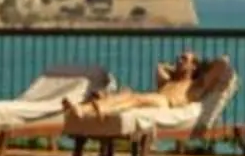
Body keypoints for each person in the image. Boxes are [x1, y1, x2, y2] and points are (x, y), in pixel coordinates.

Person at [64, 51, 200, 124]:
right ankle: (84, 109)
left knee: (133, 98)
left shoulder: (193, 85)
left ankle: (87, 108)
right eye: (179, 58)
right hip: (156, 99)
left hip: (166, 102)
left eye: (184, 59)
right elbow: (159, 67)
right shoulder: (170, 81)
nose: (178, 61)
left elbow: (218, 70)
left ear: (193, 66)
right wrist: (174, 69)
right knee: (127, 94)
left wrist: (191, 71)